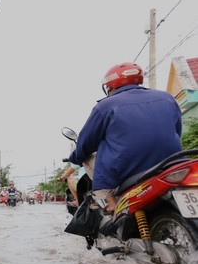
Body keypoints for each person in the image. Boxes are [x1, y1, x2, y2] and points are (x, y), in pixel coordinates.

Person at [69, 62, 182, 213]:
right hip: (171, 162)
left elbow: (85, 143)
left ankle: (110, 202)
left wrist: (75, 158)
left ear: (110, 85)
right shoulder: (168, 98)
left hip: (126, 168)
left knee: (86, 157)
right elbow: (177, 131)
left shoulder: (105, 106)